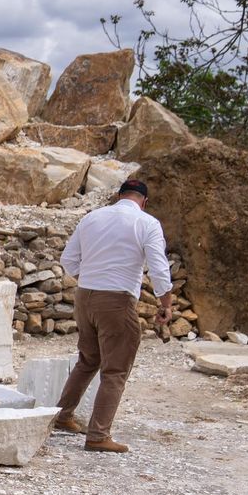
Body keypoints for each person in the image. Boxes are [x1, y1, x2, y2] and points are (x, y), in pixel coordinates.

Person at [53, 178, 173, 453]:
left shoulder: (92, 217)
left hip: (84, 296)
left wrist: (92, 279)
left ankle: (62, 415)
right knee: (116, 369)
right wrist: (165, 302)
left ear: (119, 196)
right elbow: (158, 267)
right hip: (116, 300)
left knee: (88, 360)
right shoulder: (147, 223)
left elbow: (68, 260)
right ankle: (97, 436)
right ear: (144, 201)